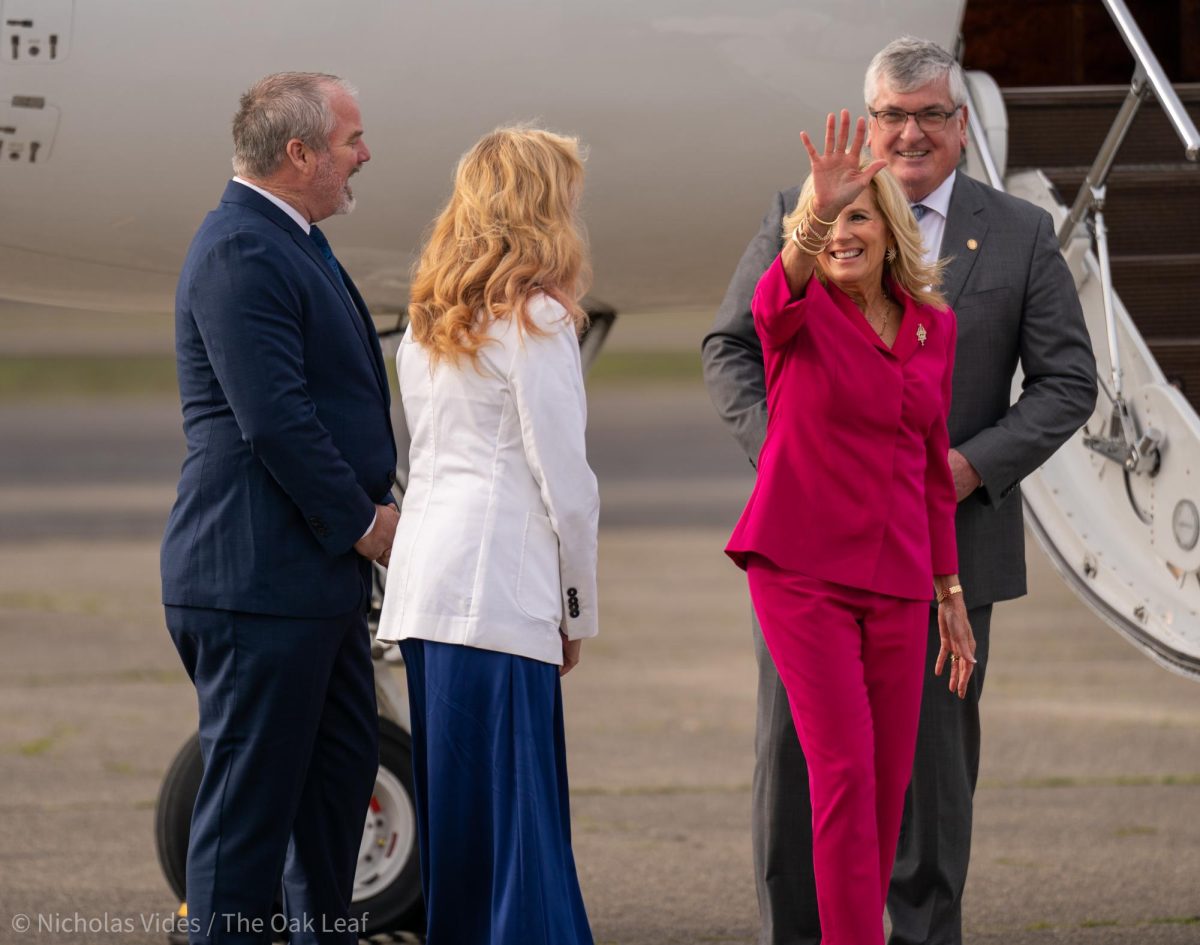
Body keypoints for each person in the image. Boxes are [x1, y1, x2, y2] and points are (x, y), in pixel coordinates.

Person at [703, 36, 1098, 945]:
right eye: (893, 115)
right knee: (802, 767)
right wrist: (798, 462)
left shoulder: (1018, 233)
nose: (911, 132)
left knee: (926, 786)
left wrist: (963, 467)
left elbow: (1069, 383)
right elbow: (736, 345)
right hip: (811, 548)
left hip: (945, 546)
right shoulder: (802, 216)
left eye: (930, 115)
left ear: (960, 128)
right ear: (869, 125)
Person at [724, 107, 976, 945]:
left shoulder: (933, 328)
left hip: (902, 579)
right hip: (802, 574)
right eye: (828, 221)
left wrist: (950, 589)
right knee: (841, 772)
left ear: (889, 228)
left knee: (888, 786)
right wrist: (810, 216)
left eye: (856, 215)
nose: (841, 233)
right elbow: (769, 300)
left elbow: (932, 465)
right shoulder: (800, 317)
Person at [161, 72, 397, 944]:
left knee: (336, 787)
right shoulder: (240, 249)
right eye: (350, 140)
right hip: (257, 580)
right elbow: (276, 420)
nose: (362, 155)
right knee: (247, 822)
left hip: (313, 582)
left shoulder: (291, 238)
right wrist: (370, 524)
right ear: (299, 153)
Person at [375, 127, 599, 945]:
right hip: (501, 597)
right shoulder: (535, 316)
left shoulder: (431, 318)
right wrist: (577, 608)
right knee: (520, 832)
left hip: (430, 591)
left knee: (462, 831)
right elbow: (564, 485)